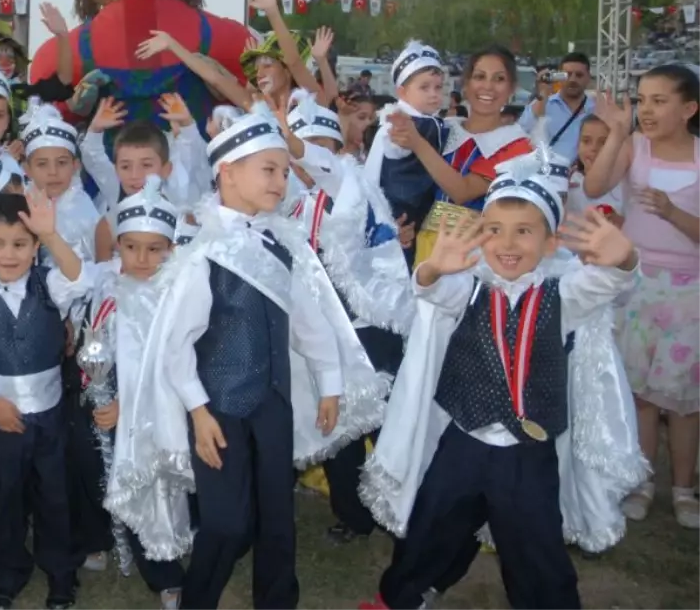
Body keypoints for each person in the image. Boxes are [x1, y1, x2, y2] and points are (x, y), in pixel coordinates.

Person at [127, 102, 387, 610]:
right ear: (228, 172)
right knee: (226, 521)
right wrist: (198, 412)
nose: (280, 181)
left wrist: (329, 381)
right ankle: (198, 599)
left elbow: (309, 319)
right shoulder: (204, 251)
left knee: (277, 516)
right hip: (219, 407)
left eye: (285, 171)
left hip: (273, 405)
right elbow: (177, 344)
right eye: (269, 169)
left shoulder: (283, 244)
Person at [358, 156, 646, 610]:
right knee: (434, 525)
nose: (507, 243)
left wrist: (625, 258)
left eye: (524, 231)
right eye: (495, 230)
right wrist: (433, 267)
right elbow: (430, 291)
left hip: (527, 453)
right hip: (464, 442)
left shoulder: (562, 297)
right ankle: (404, 596)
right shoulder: (468, 288)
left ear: (551, 244)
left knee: (535, 544)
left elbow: (609, 283)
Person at [0, 191, 95, 610]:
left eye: (21, 244)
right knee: (4, 496)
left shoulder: (50, 285)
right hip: (1, 419)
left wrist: (51, 234)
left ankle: (61, 573)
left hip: (49, 416)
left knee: (55, 496)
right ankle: (7, 573)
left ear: (35, 246)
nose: (9, 255)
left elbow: (83, 279)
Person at [286, 90, 415, 544]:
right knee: (338, 427)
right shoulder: (294, 206)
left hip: (369, 329)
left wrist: (295, 141)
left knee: (386, 424)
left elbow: (327, 171)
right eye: (298, 153)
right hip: (324, 336)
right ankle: (354, 516)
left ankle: (406, 511)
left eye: (320, 148)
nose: (306, 162)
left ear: (338, 151)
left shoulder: (352, 189)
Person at [584, 64, 700, 528]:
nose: (647, 109)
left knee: (683, 400)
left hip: (689, 292)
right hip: (635, 286)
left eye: (659, 101)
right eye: (642, 100)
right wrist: (616, 132)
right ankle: (643, 481)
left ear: (689, 109)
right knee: (642, 396)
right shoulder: (636, 149)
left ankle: (684, 490)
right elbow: (594, 186)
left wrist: (673, 213)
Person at [93, 178, 187, 610]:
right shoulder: (109, 296)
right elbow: (96, 354)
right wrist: (105, 398)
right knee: (143, 484)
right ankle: (163, 574)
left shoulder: (182, 293)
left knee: (180, 483)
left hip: (178, 408)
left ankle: (186, 539)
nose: (143, 258)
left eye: (155, 249)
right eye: (132, 248)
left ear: (171, 248)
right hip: (128, 413)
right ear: (118, 248)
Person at [391, 45, 532, 265]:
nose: (488, 86)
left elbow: (462, 191)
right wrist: (402, 222)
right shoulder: (443, 129)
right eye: (479, 76)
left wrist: (417, 143)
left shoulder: (516, 146)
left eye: (499, 79)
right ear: (465, 84)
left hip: (476, 254)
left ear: (512, 88)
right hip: (423, 246)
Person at [83, 97, 206, 261]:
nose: (135, 175)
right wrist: (95, 129)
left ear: (166, 170)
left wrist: (187, 124)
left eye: (146, 165)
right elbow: (94, 159)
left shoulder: (178, 198)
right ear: (116, 170)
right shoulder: (117, 191)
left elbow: (192, 157)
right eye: (125, 167)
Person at [364, 40, 448, 263]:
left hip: (407, 215)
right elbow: (395, 149)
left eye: (438, 87)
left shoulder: (427, 121)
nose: (433, 94)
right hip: (405, 216)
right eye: (424, 87)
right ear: (402, 92)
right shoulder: (406, 124)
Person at [21, 99, 101, 263]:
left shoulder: (85, 209)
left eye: (62, 163)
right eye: (42, 164)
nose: (53, 172)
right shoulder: (21, 206)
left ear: (75, 166)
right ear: (27, 170)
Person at [519, 52, 594, 161]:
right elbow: (522, 131)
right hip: (548, 173)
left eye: (579, 75)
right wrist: (543, 93)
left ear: (588, 78)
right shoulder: (544, 104)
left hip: (582, 175)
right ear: (559, 76)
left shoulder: (596, 110)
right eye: (567, 75)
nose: (573, 80)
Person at [566, 114, 623, 221]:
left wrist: (620, 221)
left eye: (603, 142)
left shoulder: (624, 185)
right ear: (577, 145)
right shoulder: (567, 182)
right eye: (586, 141)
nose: (594, 148)